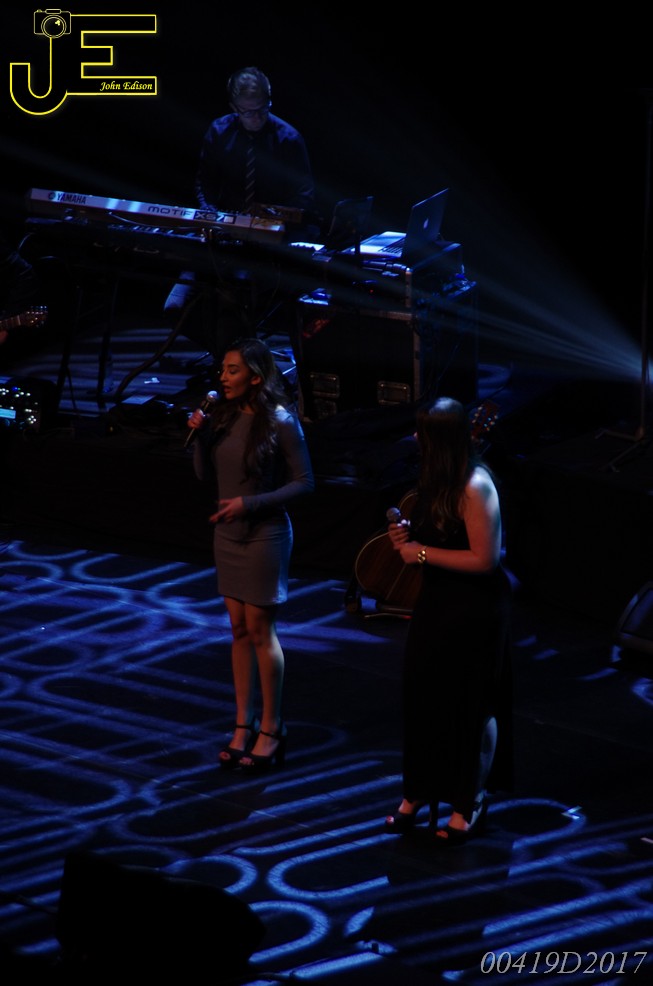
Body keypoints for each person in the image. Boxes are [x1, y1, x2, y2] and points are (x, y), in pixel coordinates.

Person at [384, 396, 513, 845]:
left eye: (423, 432)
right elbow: (436, 539)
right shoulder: (434, 480)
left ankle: (468, 799)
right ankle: (418, 790)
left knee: (470, 705)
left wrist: (419, 552)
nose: (415, 438)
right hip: (438, 601)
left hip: (474, 608)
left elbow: (484, 559)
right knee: (424, 697)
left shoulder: (476, 486)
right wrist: (407, 537)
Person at [187, 337, 314, 771]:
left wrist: (251, 503)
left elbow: (305, 483)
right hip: (227, 535)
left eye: (232, 370)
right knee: (238, 628)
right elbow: (203, 474)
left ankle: (273, 728)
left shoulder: (280, 420)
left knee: (260, 630)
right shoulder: (222, 416)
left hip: (264, 534)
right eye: (222, 369)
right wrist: (200, 437)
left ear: (256, 377)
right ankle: (244, 723)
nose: (222, 377)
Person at [165, 66, 316, 359]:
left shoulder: (288, 139)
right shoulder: (219, 131)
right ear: (234, 108)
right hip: (221, 237)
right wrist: (211, 217)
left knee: (232, 303)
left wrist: (273, 221)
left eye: (262, 109)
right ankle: (233, 360)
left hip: (265, 245)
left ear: (269, 100)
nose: (256, 117)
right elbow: (204, 183)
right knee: (175, 307)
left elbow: (304, 195)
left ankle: (235, 365)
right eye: (248, 112)